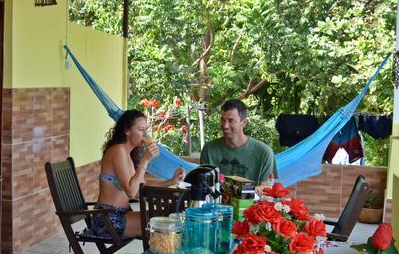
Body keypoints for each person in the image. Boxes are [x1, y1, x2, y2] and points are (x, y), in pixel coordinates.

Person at [92, 110, 185, 239]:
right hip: (108, 219)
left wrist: (171, 181)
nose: (145, 135)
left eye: (146, 130)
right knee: (168, 222)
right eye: (141, 129)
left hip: (118, 215)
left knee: (169, 216)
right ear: (127, 131)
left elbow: (141, 186)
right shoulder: (118, 151)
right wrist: (145, 160)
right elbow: (132, 192)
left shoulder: (127, 153)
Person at [200, 98, 277, 182]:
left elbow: (265, 188)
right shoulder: (209, 149)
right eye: (222, 120)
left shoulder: (264, 152)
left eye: (231, 121)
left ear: (244, 122)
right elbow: (204, 185)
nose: (225, 126)